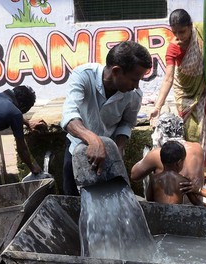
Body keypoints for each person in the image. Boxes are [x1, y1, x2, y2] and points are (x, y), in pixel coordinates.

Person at [61, 41, 152, 195]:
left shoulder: (134, 95)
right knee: (73, 200)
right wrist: (92, 139)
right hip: (76, 148)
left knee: (111, 203)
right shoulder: (83, 76)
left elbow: (127, 123)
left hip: (109, 154)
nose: (136, 85)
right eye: (134, 79)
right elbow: (69, 115)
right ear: (116, 71)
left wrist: (118, 148)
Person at [149, 9, 206, 179]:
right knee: (189, 131)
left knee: (204, 128)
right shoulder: (173, 49)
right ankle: (189, 168)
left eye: (182, 31)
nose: (179, 36)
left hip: (201, 88)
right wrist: (157, 106)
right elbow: (168, 78)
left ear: (190, 27)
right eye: (175, 32)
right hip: (185, 93)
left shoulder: (199, 32)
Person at [130, 113, 204, 203]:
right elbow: (197, 203)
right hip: (192, 205)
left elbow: (134, 175)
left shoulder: (157, 153)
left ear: (160, 133)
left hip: (163, 208)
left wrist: (147, 156)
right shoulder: (197, 148)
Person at [146, 141, 201, 206]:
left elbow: (149, 199)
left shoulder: (154, 179)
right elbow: (197, 203)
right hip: (176, 214)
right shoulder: (183, 181)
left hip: (159, 214)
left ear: (161, 160)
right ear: (179, 163)